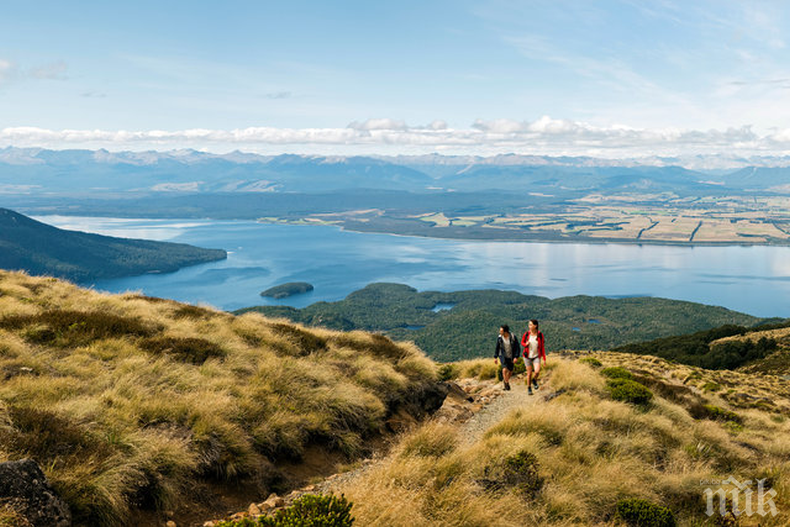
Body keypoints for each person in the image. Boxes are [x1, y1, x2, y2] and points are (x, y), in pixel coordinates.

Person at [521, 319, 546, 395]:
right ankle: (529, 388)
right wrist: (526, 344)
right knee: (529, 373)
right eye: (529, 325)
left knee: (537, 371)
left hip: (536, 356)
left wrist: (544, 358)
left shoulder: (540, 335)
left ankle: (534, 380)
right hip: (527, 356)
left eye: (531, 325)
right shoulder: (526, 334)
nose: (529, 326)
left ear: (535, 326)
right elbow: (522, 342)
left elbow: (542, 347)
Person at [494, 325, 520, 390]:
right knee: (505, 369)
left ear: (505, 332)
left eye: (501, 331)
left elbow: (517, 348)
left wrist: (516, 357)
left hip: (511, 356)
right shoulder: (500, 338)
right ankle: (506, 383)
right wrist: (495, 357)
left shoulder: (513, 337)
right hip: (502, 356)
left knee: (510, 371)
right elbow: (497, 348)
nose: (500, 332)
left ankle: (506, 381)